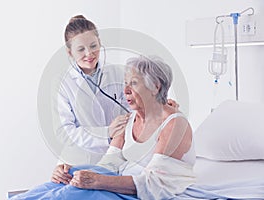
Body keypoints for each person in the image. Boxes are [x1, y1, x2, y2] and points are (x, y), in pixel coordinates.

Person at [10, 55, 195, 200]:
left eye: (134, 83)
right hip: (119, 186)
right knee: (56, 186)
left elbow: (154, 184)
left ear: (155, 86)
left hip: (140, 194)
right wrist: (71, 171)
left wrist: (98, 181)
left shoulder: (174, 125)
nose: (125, 91)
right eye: (125, 83)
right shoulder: (129, 120)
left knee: (68, 195)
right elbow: (109, 165)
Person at [51, 15, 179, 185]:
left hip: (117, 161)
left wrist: (162, 107)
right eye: (81, 49)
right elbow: (64, 132)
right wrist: (106, 133)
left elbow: (137, 109)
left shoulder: (117, 74)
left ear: (100, 43)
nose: (89, 53)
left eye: (93, 46)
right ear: (70, 52)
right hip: (76, 162)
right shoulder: (62, 83)